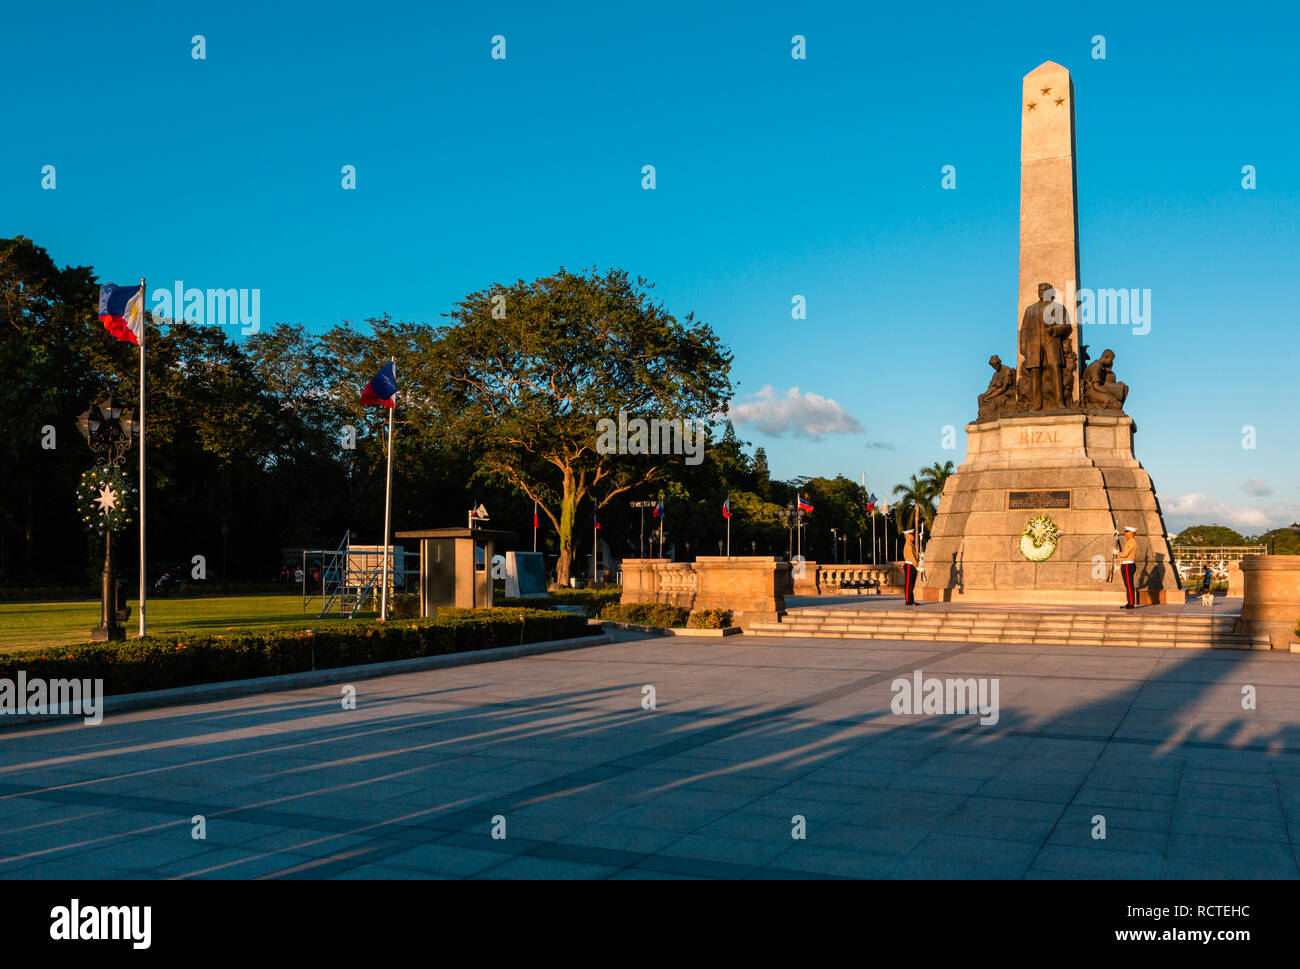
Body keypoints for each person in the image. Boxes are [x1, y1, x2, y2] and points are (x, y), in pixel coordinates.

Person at [1119, 526, 1138, 608]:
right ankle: (1129, 602)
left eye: (1126, 532)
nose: (1125, 534)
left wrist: (1117, 553)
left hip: (1128, 565)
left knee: (1129, 585)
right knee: (1128, 585)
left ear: (1131, 533)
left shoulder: (1131, 543)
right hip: (1127, 564)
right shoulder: (1130, 542)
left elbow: (1125, 554)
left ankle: (1131, 603)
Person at [902, 529, 919, 605]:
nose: (913, 536)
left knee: (911, 584)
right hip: (910, 565)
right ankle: (908, 600)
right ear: (908, 536)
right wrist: (917, 565)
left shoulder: (911, 544)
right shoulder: (908, 545)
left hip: (912, 566)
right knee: (909, 584)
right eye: (912, 535)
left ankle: (911, 600)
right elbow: (911, 557)